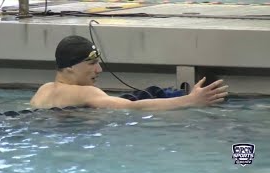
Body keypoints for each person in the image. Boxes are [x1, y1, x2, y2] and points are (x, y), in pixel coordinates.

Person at [30, 35, 228, 111]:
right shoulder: (85, 93)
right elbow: (133, 108)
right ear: (70, 67)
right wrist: (191, 101)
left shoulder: (43, 91)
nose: (99, 70)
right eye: (92, 63)